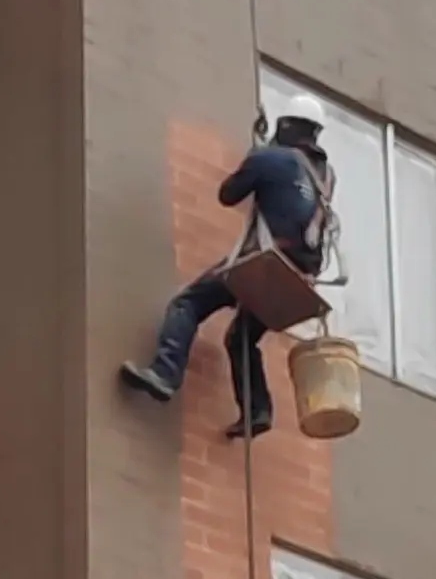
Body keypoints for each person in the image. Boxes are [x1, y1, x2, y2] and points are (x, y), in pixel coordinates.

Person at [119, 100, 337, 439]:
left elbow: (228, 194)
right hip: (296, 278)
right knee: (240, 339)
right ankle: (257, 410)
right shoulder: (326, 176)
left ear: (287, 126)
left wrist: (256, 156)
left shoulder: (270, 159)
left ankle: (165, 374)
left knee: (187, 303)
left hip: (265, 264)